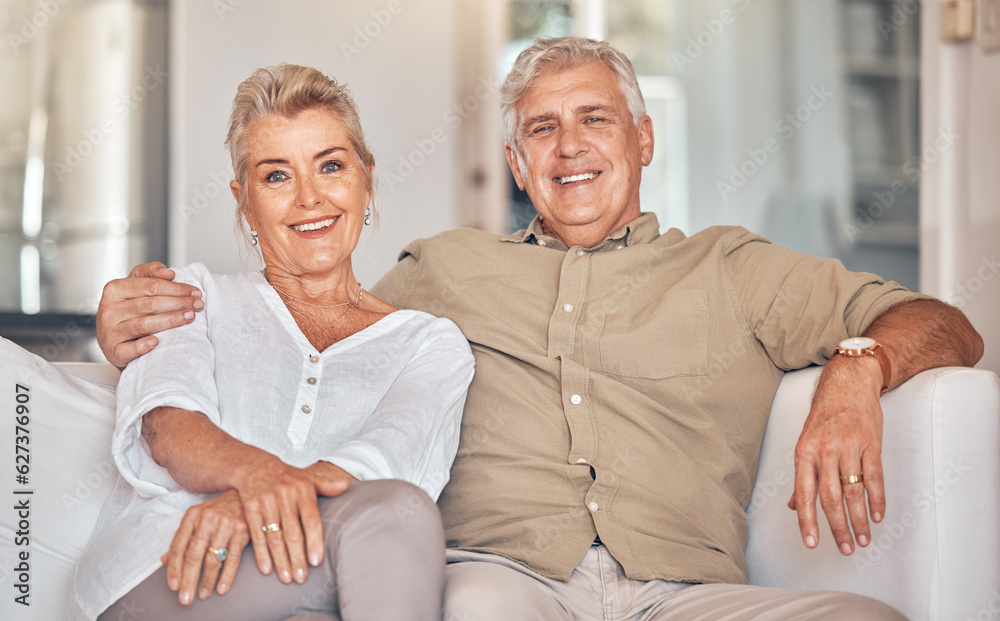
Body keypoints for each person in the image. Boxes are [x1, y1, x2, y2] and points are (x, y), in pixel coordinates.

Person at [95, 38, 983, 620]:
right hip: (505, 579)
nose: (569, 147)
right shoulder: (443, 273)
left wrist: (858, 365)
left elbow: (947, 327)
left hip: (693, 589)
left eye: (594, 119)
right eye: (541, 131)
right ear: (517, 164)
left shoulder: (732, 266)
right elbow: (318, 314)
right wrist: (131, 318)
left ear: (641, 138)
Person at [73, 64, 474, 621]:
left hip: (324, 570)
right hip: (170, 568)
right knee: (392, 516)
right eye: (277, 176)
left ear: (366, 177)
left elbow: (387, 459)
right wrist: (256, 478)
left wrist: (250, 505)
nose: (310, 198)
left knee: (388, 516)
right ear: (244, 200)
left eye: (330, 166)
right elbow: (168, 427)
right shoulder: (191, 297)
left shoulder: (430, 343)